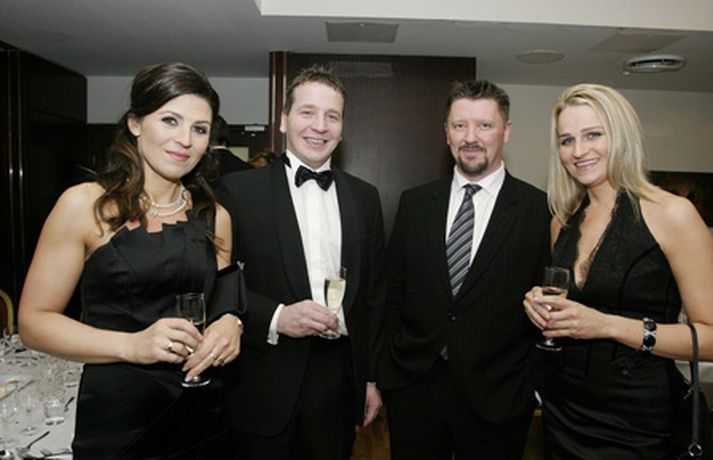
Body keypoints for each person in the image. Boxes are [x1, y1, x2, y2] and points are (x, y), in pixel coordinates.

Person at [17, 62, 244, 459]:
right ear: (135, 123)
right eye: (170, 120)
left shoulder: (214, 217)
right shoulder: (85, 205)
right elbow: (34, 324)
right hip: (121, 420)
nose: (185, 140)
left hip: (204, 413)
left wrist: (231, 323)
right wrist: (132, 345)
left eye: (200, 128)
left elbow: (225, 296)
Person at [523, 84, 713, 459]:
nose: (579, 151)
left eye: (593, 135)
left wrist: (607, 325)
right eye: (567, 140)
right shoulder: (563, 222)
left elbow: (709, 338)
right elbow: (569, 309)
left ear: (622, 136)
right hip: (562, 411)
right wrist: (537, 303)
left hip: (637, 423)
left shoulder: (673, 214)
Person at [217, 64, 385, 459]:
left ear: (342, 128)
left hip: (338, 380)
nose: (320, 126)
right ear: (284, 119)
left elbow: (374, 295)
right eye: (307, 112)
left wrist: (370, 379)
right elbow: (219, 283)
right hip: (264, 375)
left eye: (332, 116)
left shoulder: (365, 197)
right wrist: (277, 317)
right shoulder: (238, 191)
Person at [379, 79, 551, 460]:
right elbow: (393, 293)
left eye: (484, 125)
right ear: (446, 133)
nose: (470, 137)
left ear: (507, 131)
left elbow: (550, 305)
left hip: (499, 400)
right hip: (414, 392)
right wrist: (389, 374)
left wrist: (533, 388)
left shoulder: (539, 211)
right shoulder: (415, 204)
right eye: (460, 125)